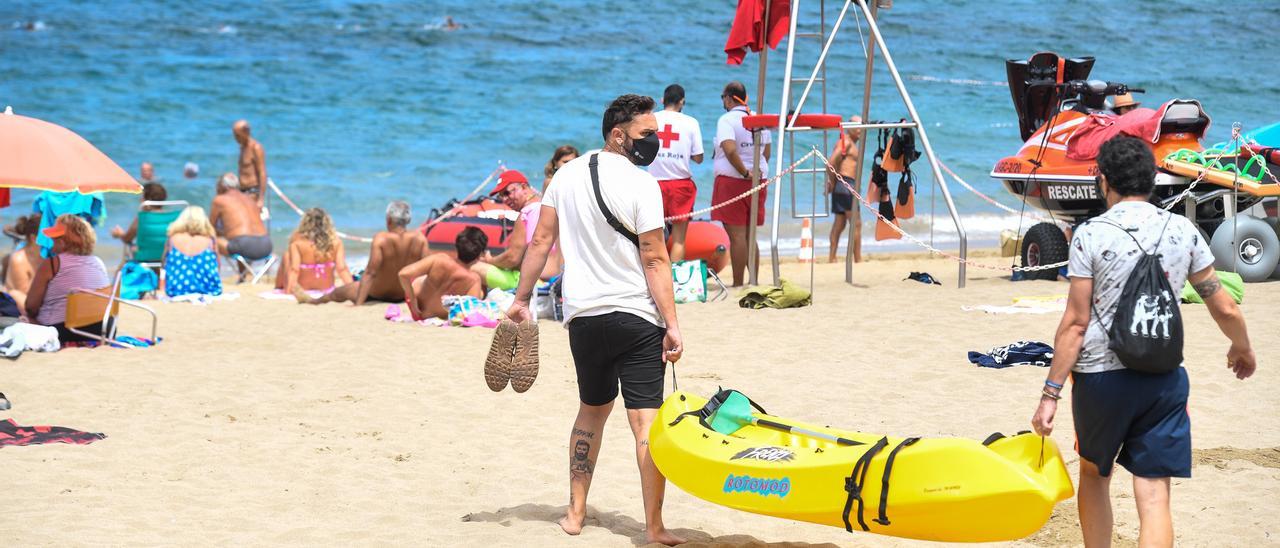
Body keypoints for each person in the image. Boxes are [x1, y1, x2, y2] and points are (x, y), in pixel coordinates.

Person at [1030, 136, 1256, 547]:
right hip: (1162, 378)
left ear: (1103, 181)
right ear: (1153, 179)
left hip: (1100, 379)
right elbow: (1223, 306)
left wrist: (1050, 393)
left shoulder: (1090, 235)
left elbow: (1076, 323)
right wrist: (1242, 347)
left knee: (1096, 477)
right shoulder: (1182, 230)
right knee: (1154, 494)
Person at [506, 94, 685, 546]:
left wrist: (521, 299)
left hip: (583, 317)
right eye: (647, 135)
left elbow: (540, 242)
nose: (654, 144)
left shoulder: (565, 175)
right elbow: (656, 259)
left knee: (591, 411)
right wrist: (673, 324)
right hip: (637, 318)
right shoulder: (644, 185)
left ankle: (574, 513)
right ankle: (655, 527)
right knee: (646, 423)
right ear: (617, 134)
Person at [296, 200, 427, 305]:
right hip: (402, 294)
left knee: (337, 293)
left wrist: (359, 304)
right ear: (408, 220)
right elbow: (427, 270)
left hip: (377, 293)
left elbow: (371, 272)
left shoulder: (381, 239)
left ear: (388, 220)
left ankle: (313, 301)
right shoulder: (419, 239)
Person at [711, 81, 771, 286]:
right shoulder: (758, 118)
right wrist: (752, 173)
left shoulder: (727, 120)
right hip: (759, 179)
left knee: (736, 236)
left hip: (733, 181)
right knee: (750, 234)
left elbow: (729, 150)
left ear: (728, 98)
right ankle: (753, 280)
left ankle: (738, 283)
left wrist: (745, 172)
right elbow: (766, 153)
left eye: (722, 98)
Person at [24, 215, 112, 343]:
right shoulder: (98, 262)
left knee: (23, 318)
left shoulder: (52, 264)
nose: (52, 242)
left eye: (55, 239)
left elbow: (31, 307)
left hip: (65, 332)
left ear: (63, 242)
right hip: (102, 329)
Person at [472, 170, 561, 291]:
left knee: (474, 267)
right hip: (557, 280)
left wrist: (490, 260)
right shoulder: (549, 208)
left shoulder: (526, 213)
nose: (505, 199)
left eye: (507, 193)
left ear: (524, 187)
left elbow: (512, 258)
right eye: (501, 196)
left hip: (534, 283)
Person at [649, 84, 704, 262]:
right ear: (682, 102)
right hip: (680, 185)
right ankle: (674, 285)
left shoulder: (652, 119)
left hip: (654, 184)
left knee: (654, 239)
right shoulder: (691, 122)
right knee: (679, 240)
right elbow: (698, 158)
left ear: (662, 100)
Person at [396, 227, 487, 320]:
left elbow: (403, 274)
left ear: (457, 245)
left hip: (416, 311)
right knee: (481, 293)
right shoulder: (473, 279)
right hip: (437, 316)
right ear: (480, 254)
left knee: (420, 280)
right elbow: (471, 311)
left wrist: (413, 300)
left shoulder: (439, 259)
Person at [210, 172, 273, 279]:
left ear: (222, 186)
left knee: (211, 240)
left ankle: (212, 275)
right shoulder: (250, 198)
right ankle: (242, 276)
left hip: (245, 246)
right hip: (266, 245)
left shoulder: (219, 200)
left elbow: (210, 227)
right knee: (239, 239)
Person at [284, 208, 353, 295]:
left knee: (286, 257)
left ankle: (280, 286)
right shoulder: (336, 243)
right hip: (327, 290)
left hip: (304, 290)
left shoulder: (297, 244)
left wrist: (289, 290)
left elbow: (294, 269)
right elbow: (342, 269)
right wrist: (352, 287)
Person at [826, 115, 864, 263]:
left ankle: (832, 257)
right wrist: (833, 180)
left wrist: (834, 182)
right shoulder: (846, 141)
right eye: (857, 126)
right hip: (846, 184)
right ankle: (858, 259)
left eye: (861, 126)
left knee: (840, 223)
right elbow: (830, 163)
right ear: (850, 128)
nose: (860, 130)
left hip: (843, 185)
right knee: (856, 223)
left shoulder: (850, 143)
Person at [162, 206, 222, 298]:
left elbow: (164, 263)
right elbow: (218, 265)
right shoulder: (210, 239)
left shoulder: (172, 239)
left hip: (176, 289)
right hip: (208, 289)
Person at [3, 213, 43, 310]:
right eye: (47, 236)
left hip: (39, 303)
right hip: (18, 306)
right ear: (34, 238)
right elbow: (25, 296)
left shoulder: (48, 255)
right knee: (16, 294)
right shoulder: (19, 259)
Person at [110, 182, 168, 247]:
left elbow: (127, 239)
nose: (140, 200)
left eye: (142, 197)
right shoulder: (169, 217)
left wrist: (119, 234)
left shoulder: (142, 218)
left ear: (147, 201)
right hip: (165, 256)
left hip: (145, 256)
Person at [233, 119, 268, 208]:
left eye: (237, 135)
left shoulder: (256, 148)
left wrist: (261, 199)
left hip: (253, 192)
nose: (235, 138)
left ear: (246, 132)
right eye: (234, 135)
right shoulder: (242, 148)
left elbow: (262, 173)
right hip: (242, 191)